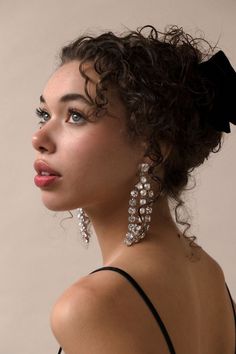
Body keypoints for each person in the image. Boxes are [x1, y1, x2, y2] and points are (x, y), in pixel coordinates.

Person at [32, 25, 236, 354]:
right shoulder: (210, 274)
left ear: (153, 147)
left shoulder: (90, 307)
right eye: (44, 114)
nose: (38, 138)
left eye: (75, 116)